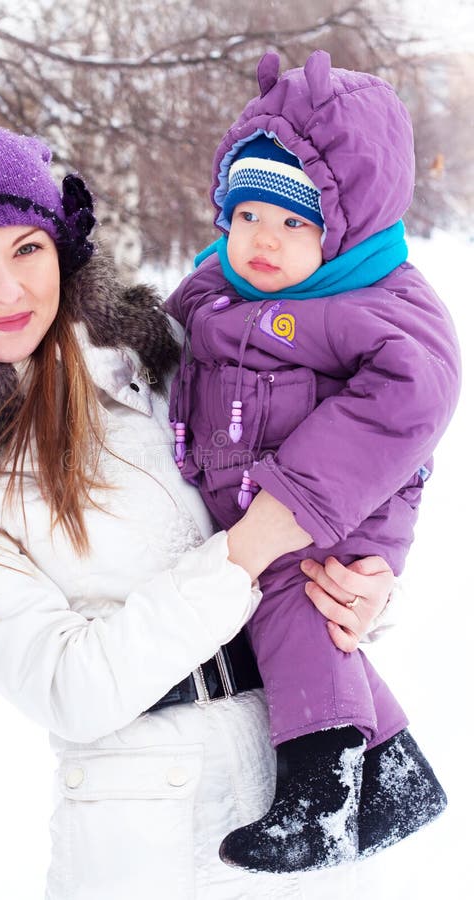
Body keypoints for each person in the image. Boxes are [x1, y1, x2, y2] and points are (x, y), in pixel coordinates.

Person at [0, 123, 406, 900]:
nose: (8, 289)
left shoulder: (163, 358)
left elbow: (319, 476)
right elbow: (71, 688)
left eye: (27, 247)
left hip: (293, 783)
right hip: (144, 834)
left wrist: (360, 588)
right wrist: (248, 551)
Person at [165, 49, 459, 873]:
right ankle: (395, 773)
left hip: (338, 502)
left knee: (295, 607)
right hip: (269, 498)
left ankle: (320, 798)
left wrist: (293, 498)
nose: (264, 240)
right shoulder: (217, 291)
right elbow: (177, 336)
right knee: (316, 618)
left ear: (343, 229)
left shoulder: (371, 301)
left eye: (295, 223)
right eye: (249, 214)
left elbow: (416, 391)